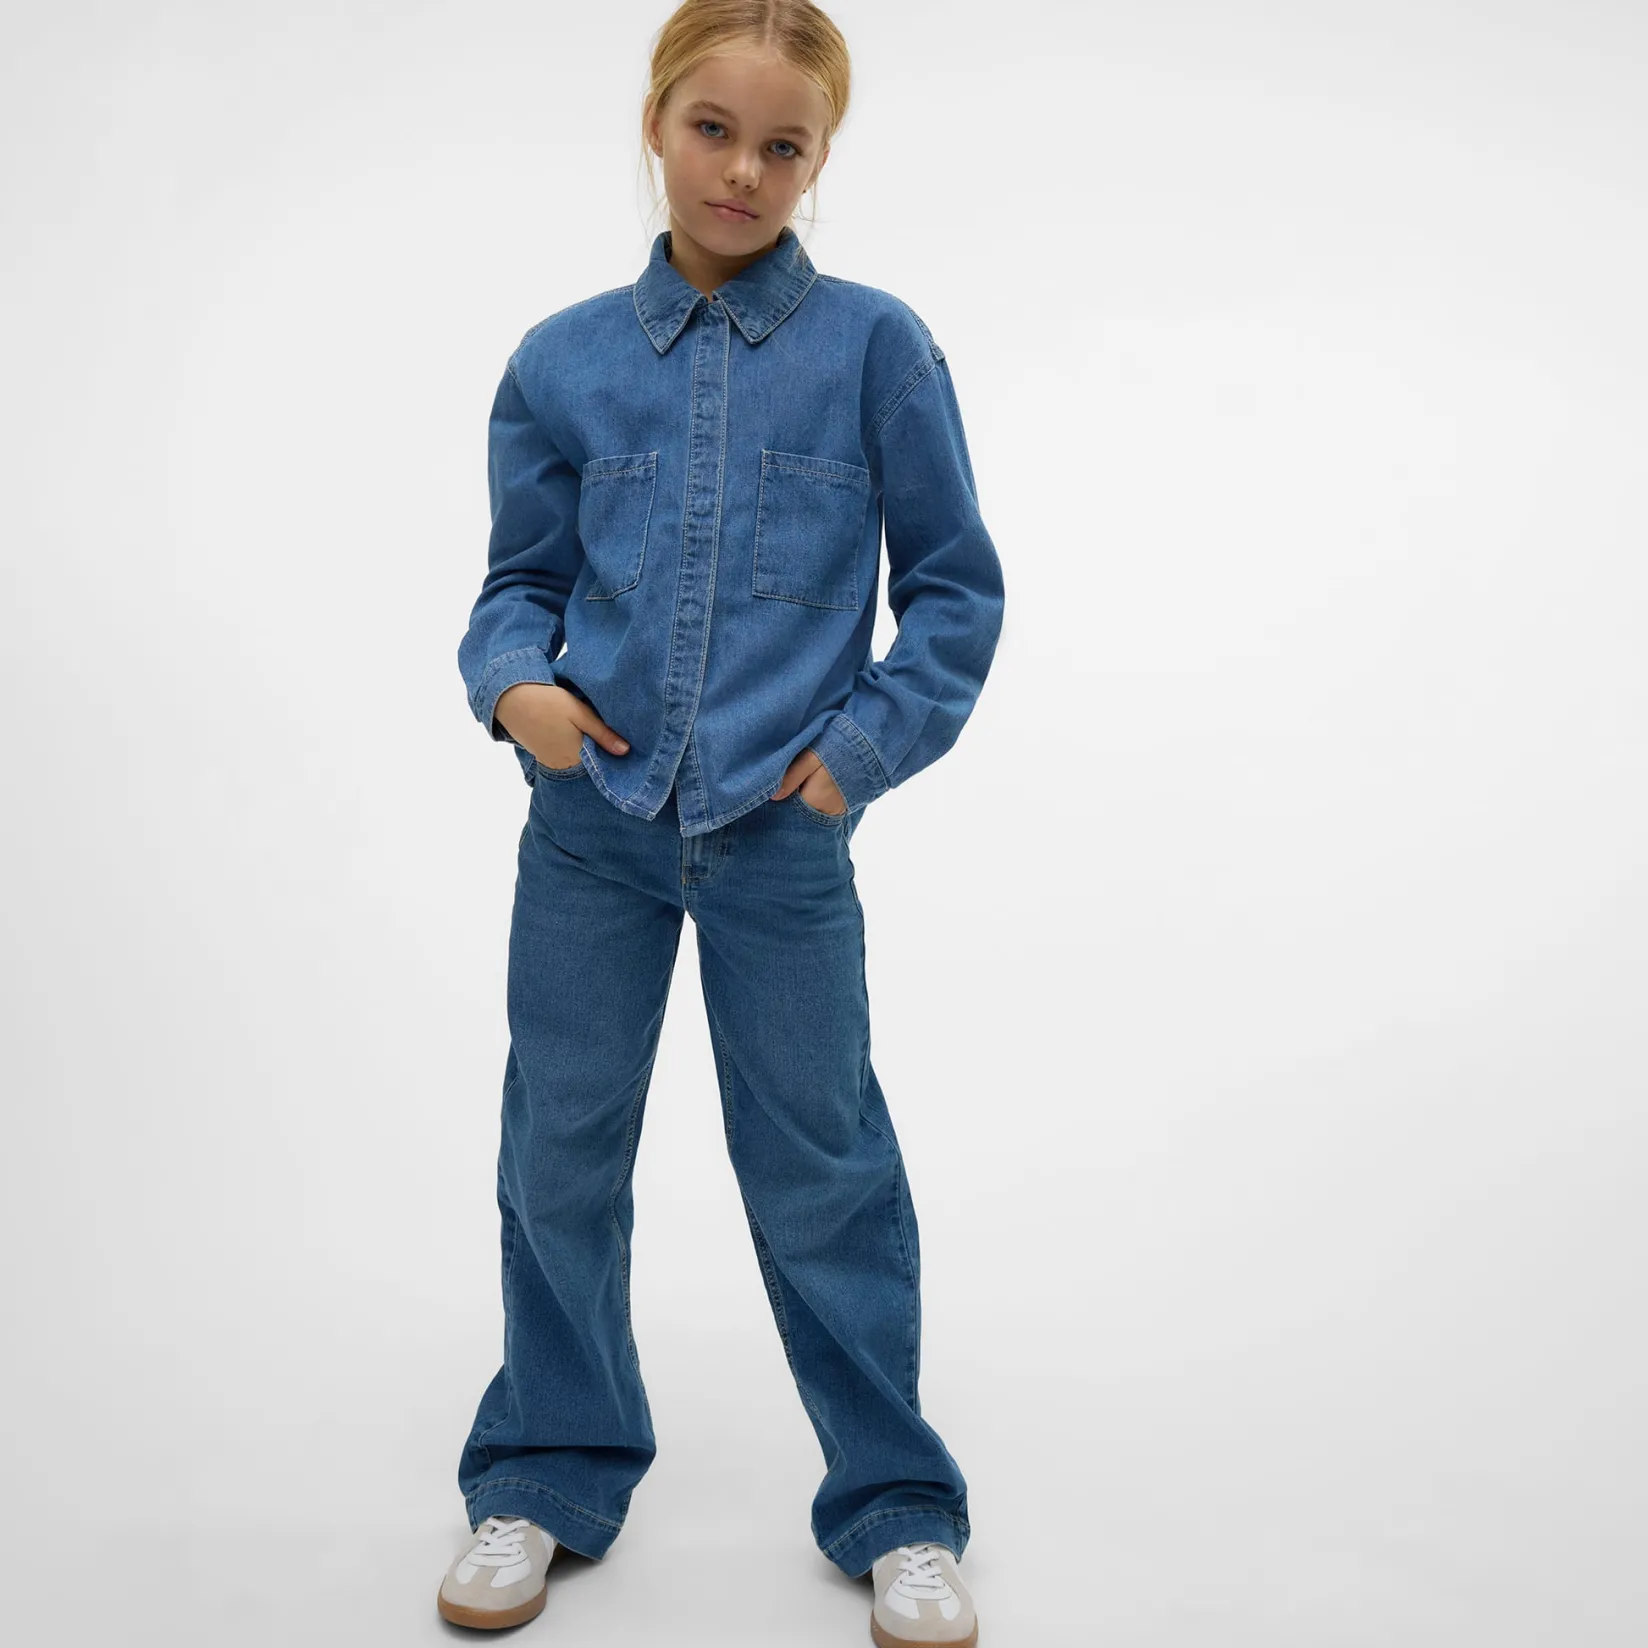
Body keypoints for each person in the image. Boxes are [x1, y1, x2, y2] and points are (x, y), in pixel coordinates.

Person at [436, 4, 1004, 1642]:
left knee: (823, 1163)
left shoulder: (878, 349)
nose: (742, 170)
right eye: (713, 130)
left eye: (783, 145)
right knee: (559, 1148)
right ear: (656, 122)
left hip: (780, 838)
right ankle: (545, 1471)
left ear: (820, 160)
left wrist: (855, 756)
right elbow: (518, 583)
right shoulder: (560, 360)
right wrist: (514, 690)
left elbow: (956, 591)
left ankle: (895, 1503)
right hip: (591, 829)